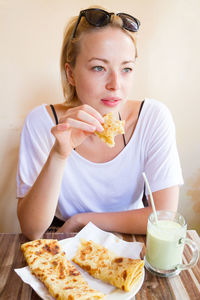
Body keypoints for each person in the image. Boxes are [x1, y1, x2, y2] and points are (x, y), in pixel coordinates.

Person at [17, 6, 183, 240]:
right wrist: (59, 153)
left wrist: (84, 220)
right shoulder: (41, 123)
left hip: (132, 240)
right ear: (71, 74)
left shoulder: (153, 118)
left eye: (126, 69)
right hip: (65, 240)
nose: (115, 84)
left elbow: (164, 217)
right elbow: (32, 230)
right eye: (99, 67)